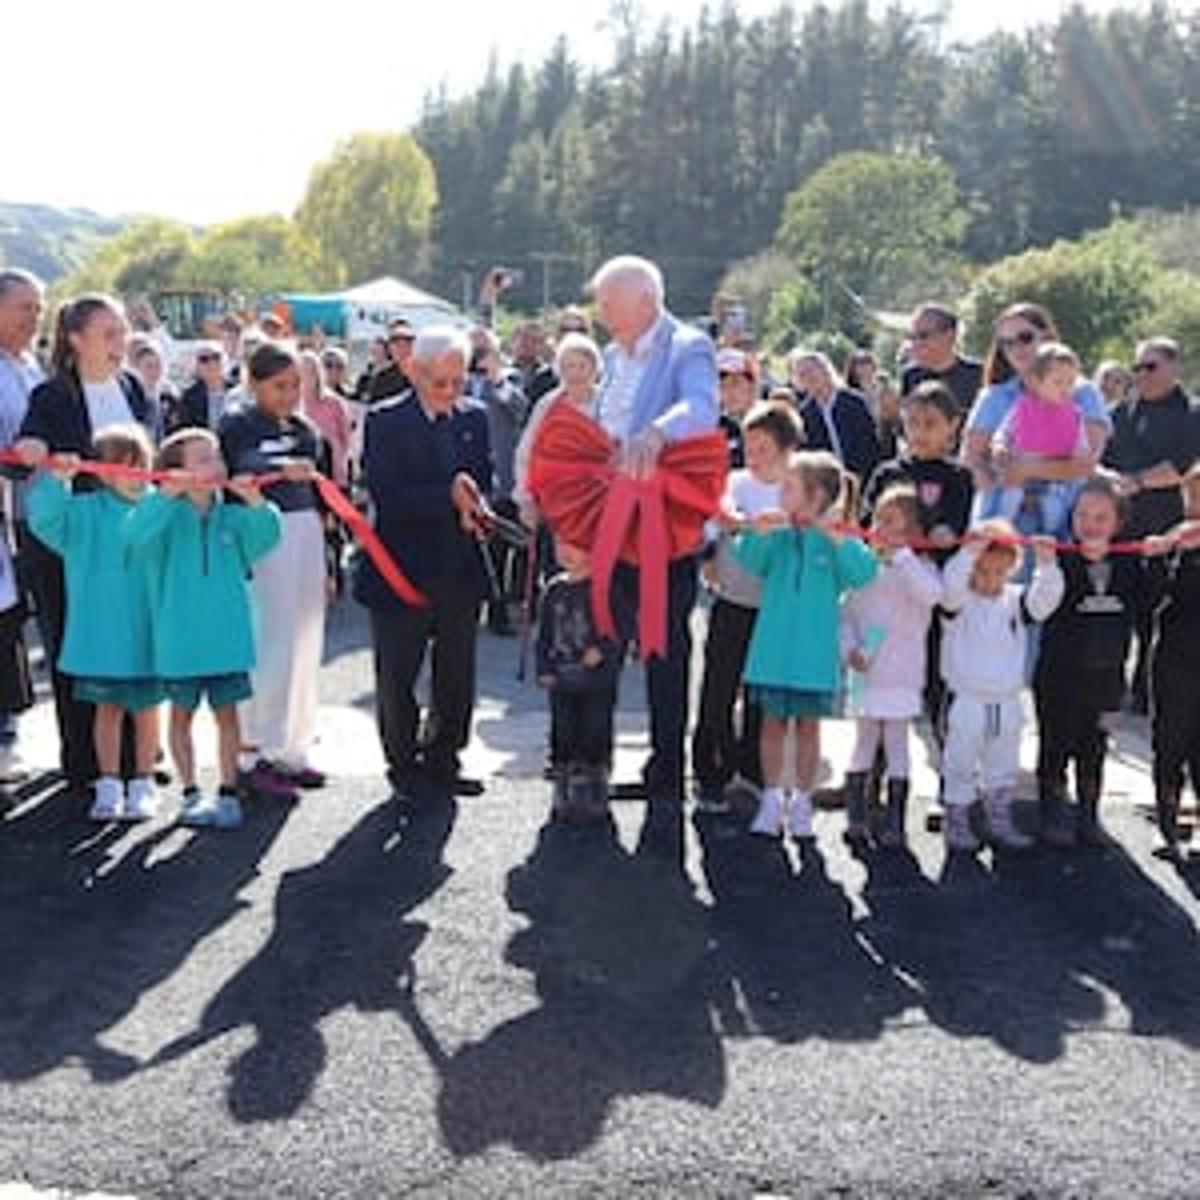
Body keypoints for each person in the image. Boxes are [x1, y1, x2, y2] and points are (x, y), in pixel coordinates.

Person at [590, 254, 719, 866]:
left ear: (645, 299)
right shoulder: (612, 356)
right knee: (604, 647)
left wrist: (658, 434)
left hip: (664, 531)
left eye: (609, 305)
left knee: (666, 654)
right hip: (609, 525)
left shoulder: (687, 345)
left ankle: (669, 771)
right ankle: (593, 767)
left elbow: (702, 409)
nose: (601, 315)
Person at [15, 293, 151, 790]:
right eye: (110, 333)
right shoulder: (53, 396)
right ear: (76, 340)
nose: (122, 343)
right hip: (70, 544)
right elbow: (25, 452)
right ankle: (85, 763)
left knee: (135, 640)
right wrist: (33, 450)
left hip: (134, 542)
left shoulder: (135, 387)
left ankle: (137, 757)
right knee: (77, 648)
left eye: (124, 332)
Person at [355, 326, 493, 803]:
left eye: (459, 381)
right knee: (398, 674)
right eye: (440, 382)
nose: (451, 391)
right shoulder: (383, 421)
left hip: (459, 565)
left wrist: (480, 505)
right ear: (414, 370)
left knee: (457, 672)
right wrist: (446, 497)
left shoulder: (474, 417)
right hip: (401, 567)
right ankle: (403, 762)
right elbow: (387, 497)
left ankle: (445, 756)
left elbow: (484, 479)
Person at [126, 428, 282, 829]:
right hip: (179, 640)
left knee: (228, 718)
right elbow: (133, 534)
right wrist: (165, 496)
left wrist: (257, 502)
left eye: (216, 457)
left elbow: (267, 536)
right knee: (180, 718)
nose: (216, 465)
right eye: (203, 459)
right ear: (175, 471)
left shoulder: (231, 516)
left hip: (227, 640)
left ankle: (228, 792)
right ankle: (191, 792)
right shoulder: (162, 516)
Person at [735, 450, 876, 839]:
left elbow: (863, 572)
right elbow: (750, 560)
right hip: (774, 652)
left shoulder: (835, 538)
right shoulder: (777, 533)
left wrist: (837, 541)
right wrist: (755, 533)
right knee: (772, 726)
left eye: (790, 486)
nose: (781, 492)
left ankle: (801, 800)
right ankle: (770, 799)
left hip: (813, 657)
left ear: (816, 497)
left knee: (809, 729)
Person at [27, 426, 161, 822]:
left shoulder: (160, 507)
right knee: (107, 710)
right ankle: (107, 785)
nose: (135, 474)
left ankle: (144, 782)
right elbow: (45, 520)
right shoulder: (84, 512)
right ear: (101, 472)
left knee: (148, 711)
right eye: (123, 467)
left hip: (149, 632)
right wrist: (56, 481)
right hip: (102, 634)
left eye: (142, 466)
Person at [219, 343, 328, 800]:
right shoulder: (237, 424)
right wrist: (283, 469)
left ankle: (293, 748)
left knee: (305, 641)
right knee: (271, 642)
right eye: (278, 386)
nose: (288, 395)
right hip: (265, 534)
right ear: (255, 383)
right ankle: (253, 752)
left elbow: (323, 488)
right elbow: (241, 468)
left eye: (295, 385)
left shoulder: (305, 429)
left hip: (307, 534)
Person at [692, 400, 800, 813]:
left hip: (774, 607)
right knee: (718, 688)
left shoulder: (795, 488)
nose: (753, 458)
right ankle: (709, 774)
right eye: (748, 448)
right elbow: (714, 518)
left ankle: (753, 772)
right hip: (732, 600)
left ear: (787, 449)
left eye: (764, 450)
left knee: (761, 694)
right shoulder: (734, 482)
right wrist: (730, 525)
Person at [940, 521, 1064, 852]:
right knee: (960, 762)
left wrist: (1048, 564)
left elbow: (1046, 600)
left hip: (1006, 701)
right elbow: (951, 585)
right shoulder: (958, 603)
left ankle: (999, 818)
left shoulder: (1015, 602)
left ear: (1011, 568)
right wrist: (968, 552)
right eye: (982, 570)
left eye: (999, 571)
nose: (990, 579)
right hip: (967, 699)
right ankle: (957, 819)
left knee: (1003, 762)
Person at [1033, 476, 1143, 848]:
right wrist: (1046, 565)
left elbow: (1145, 607)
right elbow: (1038, 609)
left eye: (1100, 517)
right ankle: (1052, 811)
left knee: (1094, 747)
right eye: (1082, 515)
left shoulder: (1130, 563)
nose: (1090, 524)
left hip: (1106, 677)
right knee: (1055, 744)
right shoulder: (1060, 557)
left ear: (1118, 523)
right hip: (1058, 674)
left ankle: (1089, 812)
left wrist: (1160, 554)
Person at [862, 380, 974, 732]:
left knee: (938, 673)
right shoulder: (888, 472)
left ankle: (948, 763)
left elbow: (961, 523)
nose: (920, 432)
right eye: (912, 423)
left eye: (930, 424)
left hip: (933, 590)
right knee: (878, 670)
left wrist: (949, 533)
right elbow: (866, 520)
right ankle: (870, 770)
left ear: (952, 426)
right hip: (887, 590)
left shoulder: (958, 477)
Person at [840, 485, 943, 848]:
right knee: (863, 742)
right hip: (863, 673)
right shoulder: (863, 568)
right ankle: (856, 815)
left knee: (898, 745)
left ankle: (895, 820)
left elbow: (933, 596)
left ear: (913, 531)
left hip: (902, 673)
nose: (880, 526)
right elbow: (846, 615)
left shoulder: (921, 569)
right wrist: (849, 648)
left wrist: (904, 558)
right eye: (877, 518)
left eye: (891, 520)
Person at [1103, 337, 1200, 712]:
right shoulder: (1119, 413)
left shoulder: (1191, 414)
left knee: (1153, 619)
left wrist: (1137, 481)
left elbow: (1179, 468)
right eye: (1137, 367)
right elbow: (1098, 457)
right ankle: (1112, 688)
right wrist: (1111, 479)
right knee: (1114, 612)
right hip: (1120, 530)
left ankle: (1147, 692)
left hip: (1166, 533)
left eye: (1151, 367)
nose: (1142, 375)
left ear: (1175, 368)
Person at [961, 303, 1110, 525]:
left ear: (1048, 337)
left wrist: (1026, 470)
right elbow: (971, 459)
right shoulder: (993, 397)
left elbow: (1086, 462)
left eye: (1025, 337)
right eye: (1006, 343)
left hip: (1065, 519)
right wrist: (999, 491)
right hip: (1004, 523)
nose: (1016, 348)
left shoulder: (1084, 394)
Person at [536, 538, 629, 823]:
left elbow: (624, 628)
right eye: (560, 544)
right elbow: (544, 635)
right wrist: (544, 667)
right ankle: (563, 777)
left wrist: (602, 649)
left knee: (595, 726)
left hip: (598, 679)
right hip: (562, 677)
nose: (565, 552)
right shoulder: (553, 590)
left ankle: (596, 777)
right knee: (562, 727)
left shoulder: (606, 588)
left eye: (574, 545)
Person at [0, 268, 44, 783]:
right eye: (24, 306)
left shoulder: (33, 366)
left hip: (42, 514)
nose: (34, 317)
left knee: (16, 626)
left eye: (39, 307)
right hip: (11, 515)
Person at [1145, 464, 1200, 857]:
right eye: (1192, 498)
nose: (1196, 508)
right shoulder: (1177, 542)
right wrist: (1160, 554)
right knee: (1169, 742)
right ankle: (1167, 826)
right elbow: (1152, 598)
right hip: (1174, 659)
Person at [984, 342, 1090, 536]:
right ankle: (1001, 532)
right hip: (1018, 474)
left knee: (1054, 508)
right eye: (1058, 382)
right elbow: (1003, 433)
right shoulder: (1022, 408)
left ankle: (1052, 536)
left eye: (1071, 382)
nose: (1065, 388)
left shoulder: (1075, 415)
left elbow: (1080, 447)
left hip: (1054, 478)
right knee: (1008, 499)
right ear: (1037, 382)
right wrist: (999, 446)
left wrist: (1080, 453)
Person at [468, 329, 527, 636]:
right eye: (474, 350)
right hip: (469, 479)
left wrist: (496, 378)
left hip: (502, 480)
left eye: (484, 350)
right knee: (468, 548)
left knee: (500, 550)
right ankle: (468, 608)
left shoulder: (510, 379)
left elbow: (519, 409)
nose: (478, 356)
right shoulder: (460, 381)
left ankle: (498, 611)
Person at [513, 332, 603, 528]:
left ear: (595, 370)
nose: (576, 373)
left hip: (599, 500)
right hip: (554, 500)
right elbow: (526, 452)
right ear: (559, 370)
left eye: (582, 366)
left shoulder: (608, 404)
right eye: (569, 366)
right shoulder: (547, 405)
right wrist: (525, 499)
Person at [789, 350, 882, 484]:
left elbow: (870, 444)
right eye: (802, 375)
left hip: (863, 478)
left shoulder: (854, 402)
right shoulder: (805, 414)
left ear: (825, 370)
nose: (808, 377)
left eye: (811, 370)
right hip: (829, 484)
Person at [900, 302, 983, 417]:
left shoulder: (978, 375)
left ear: (949, 335)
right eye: (912, 337)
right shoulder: (911, 375)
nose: (917, 343)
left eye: (924, 336)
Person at [298, 349, 352, 490]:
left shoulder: (334, 402)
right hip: (304, 474)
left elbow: (346, 438)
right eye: (302, 372)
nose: (307, 376)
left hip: (334, 473)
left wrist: (340, 461)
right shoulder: (291, 403)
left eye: (311, 372)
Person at [169, 342, 230, 434]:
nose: (211, 363)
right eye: (204, 359)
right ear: (196, 365)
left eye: (216, 357)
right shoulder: (189, 396)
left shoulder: (238, 390)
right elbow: (185, 428)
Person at [715, 347, 759, 469]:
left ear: (752, 386)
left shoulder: (775, 423)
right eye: (722, 385)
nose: (729, 392)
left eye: (735, 383)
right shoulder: (713, 428)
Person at [128, 338, 175, 443]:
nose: (154, 371)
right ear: (137, 367)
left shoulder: (169, 396)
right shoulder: (132, 395)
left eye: (158, 365)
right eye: (149, 366)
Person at [510, 321, 559, 407]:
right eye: (524, 338)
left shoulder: (551, 377)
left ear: (542, 346)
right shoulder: (500, 373)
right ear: (513, 341)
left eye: (535, 340)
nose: (529, 344)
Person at [368, 319, 416, 403]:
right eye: (395, 343)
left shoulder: (424, 374)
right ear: (389, 348)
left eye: (407, 342)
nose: (401, 349)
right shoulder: (382, 378)